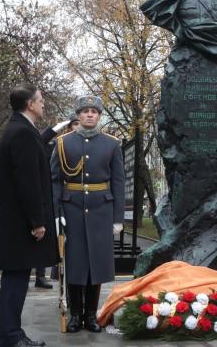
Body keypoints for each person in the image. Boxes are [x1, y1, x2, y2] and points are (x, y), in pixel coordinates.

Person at [51, 96, 125, 333]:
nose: (90, 115)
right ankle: (75, 316)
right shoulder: (62, 144)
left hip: (101, 210)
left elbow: (118, 182)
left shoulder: (112, 144)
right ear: (78, 116)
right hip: (71, 209)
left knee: (96, 265)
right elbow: (54, 181)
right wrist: (56, 212)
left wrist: (117, 218)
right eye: (85, 111)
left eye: (94, 111)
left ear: (99, 115)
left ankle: (91, 315)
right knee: (75, 263)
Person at [0, 84, 59, 347]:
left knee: (17, 279)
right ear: (30, 104)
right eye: (40, 100)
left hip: (15, 221)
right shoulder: (22, 133)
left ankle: (12, 335)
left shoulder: (20, 130)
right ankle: (11, 337)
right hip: (22, 223)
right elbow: (28, 181)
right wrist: (37, 221)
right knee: (16, 281)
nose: (43, 104)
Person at [34, 114, 80, 289]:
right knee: (47, 237)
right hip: (53, 196)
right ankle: (40, 274)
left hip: (73, 200)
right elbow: (38, 143)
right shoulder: (57, 145)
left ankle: (65, 283)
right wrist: (54, 129)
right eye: (73, 124)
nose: (76, 127)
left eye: (78, 124)